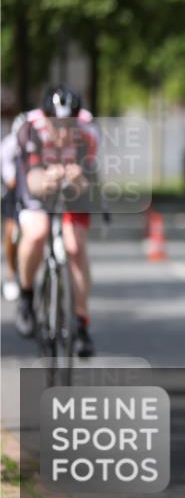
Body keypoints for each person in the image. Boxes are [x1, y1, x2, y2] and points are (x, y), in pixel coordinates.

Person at [14, 85, 99, 357]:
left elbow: (90, 182)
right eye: (56, 125)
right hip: (36, 184)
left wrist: (78, 179)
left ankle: (81, 324)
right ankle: (26, 297)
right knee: (36, 233)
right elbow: (30, 179)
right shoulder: (30, 128)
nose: (63, 133)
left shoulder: (88, 132)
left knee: (75, 246)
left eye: (68, 125)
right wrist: (46, 179)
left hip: (73, 192)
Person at [1, 114, 26, 302]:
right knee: (11, 233)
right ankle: (11, 273)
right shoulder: (10, 144)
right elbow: (8, 174)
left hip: (37, 194)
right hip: (15, 193)